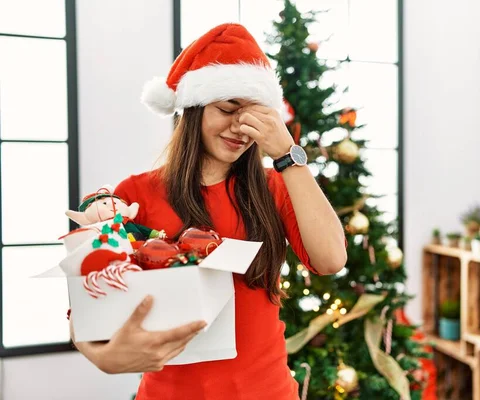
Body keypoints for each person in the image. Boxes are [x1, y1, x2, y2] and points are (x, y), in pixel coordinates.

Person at [71, 23, 347, 399]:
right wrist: (100, 355)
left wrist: (287, 154)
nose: (241, 127)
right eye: (228, 108)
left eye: (255, 115)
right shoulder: (134, 194)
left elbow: (331, 258)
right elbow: (88, 302)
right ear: (194, 109)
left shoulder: (275, 185)